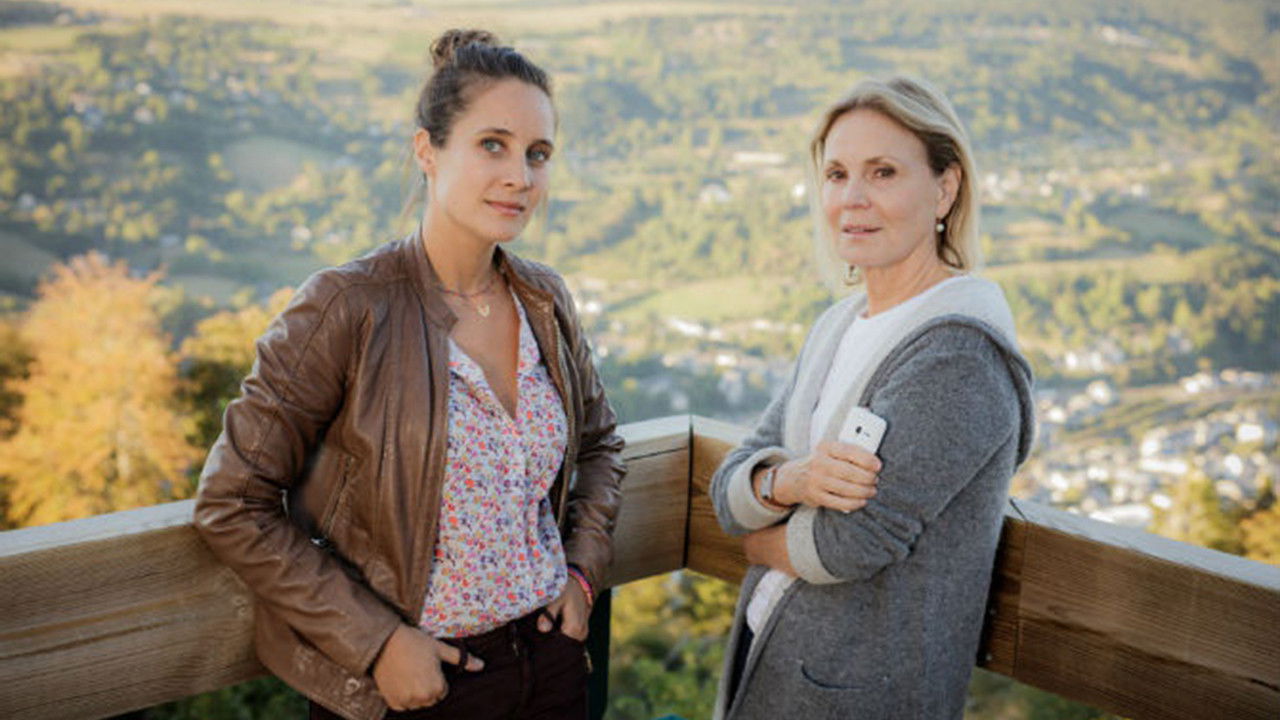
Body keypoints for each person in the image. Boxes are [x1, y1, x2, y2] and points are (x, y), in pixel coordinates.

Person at [193, 29, 625, 720]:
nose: (521, 175)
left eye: (537, 154)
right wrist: (375, 642)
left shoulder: (544, 299)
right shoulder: (345, 305)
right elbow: (233, 502)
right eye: (494, 144)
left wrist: (581, 570)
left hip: (549, 662)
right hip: (416, 681)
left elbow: (602, 447)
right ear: (427, 149)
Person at [709, 76, 1036, 720]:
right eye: (836, 175)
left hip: (861, 695)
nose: (852, 199)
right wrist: (793, 480)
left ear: (945, 187)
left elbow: (845, 546)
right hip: (774, 663)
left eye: (883, 172)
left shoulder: (959, 355)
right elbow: (729, 486)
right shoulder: (838, 325)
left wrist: (756, 542)